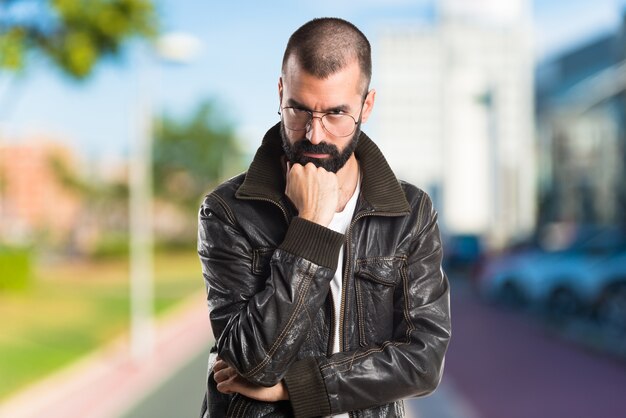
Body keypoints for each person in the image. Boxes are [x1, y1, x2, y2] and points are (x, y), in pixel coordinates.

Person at [198, 17, 451, 418]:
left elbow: (423, 360)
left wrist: (296, 389)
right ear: (281, 91)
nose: (314, 134)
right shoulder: (229, 210)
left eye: (336, 114)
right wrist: (311, 226)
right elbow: (251, 362)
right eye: (298, 109)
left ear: (366, 105)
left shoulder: (409, 212)